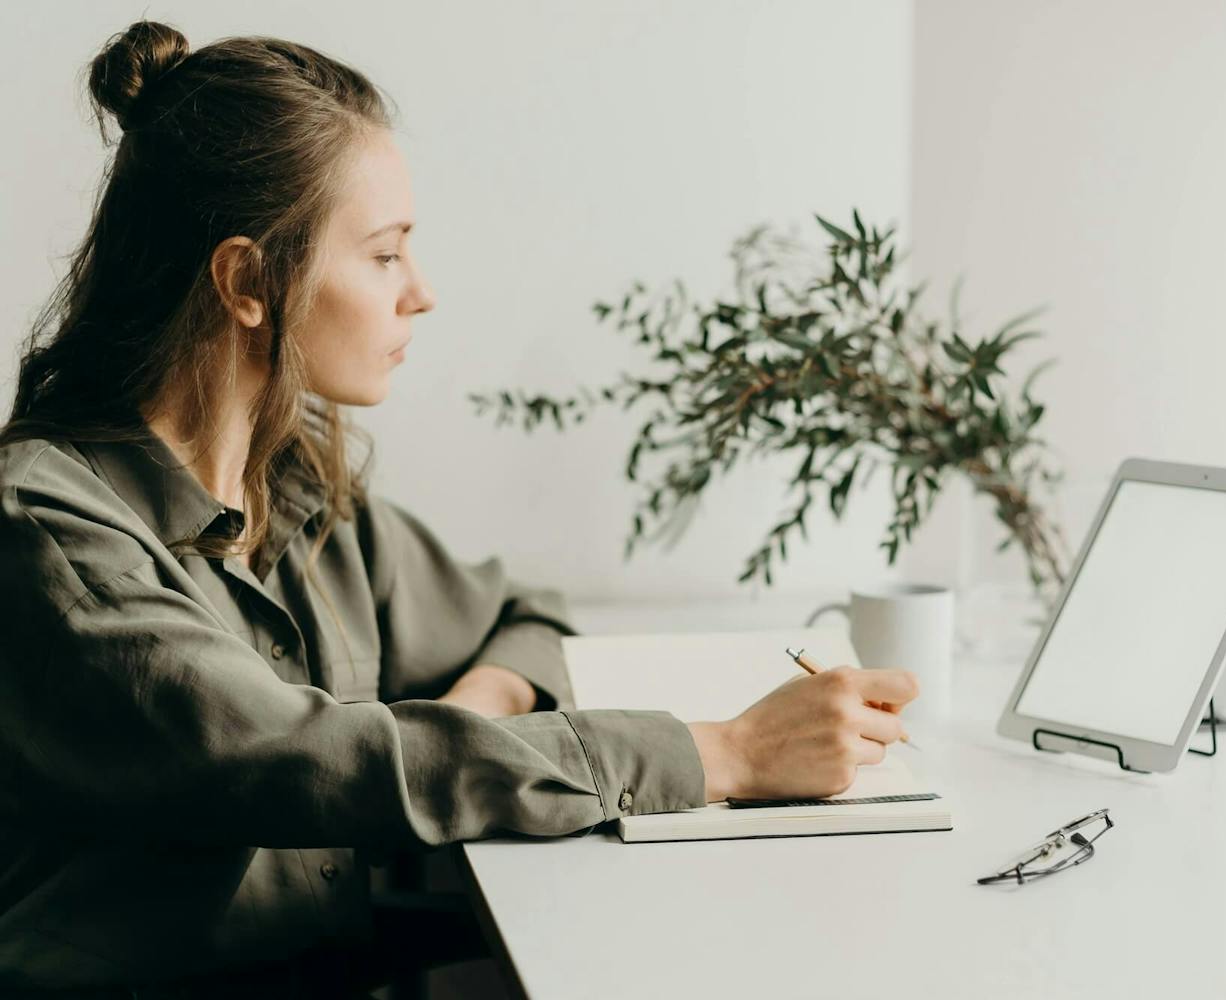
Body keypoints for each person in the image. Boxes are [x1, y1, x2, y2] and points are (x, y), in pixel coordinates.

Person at [0, 20, 918, 998]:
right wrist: (727, 752)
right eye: (385, 254)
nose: (422, 294)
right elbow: (308, 761)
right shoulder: (47, 530)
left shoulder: (301, 492)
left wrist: (472, 712)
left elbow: (525, 617)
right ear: (247, 282)